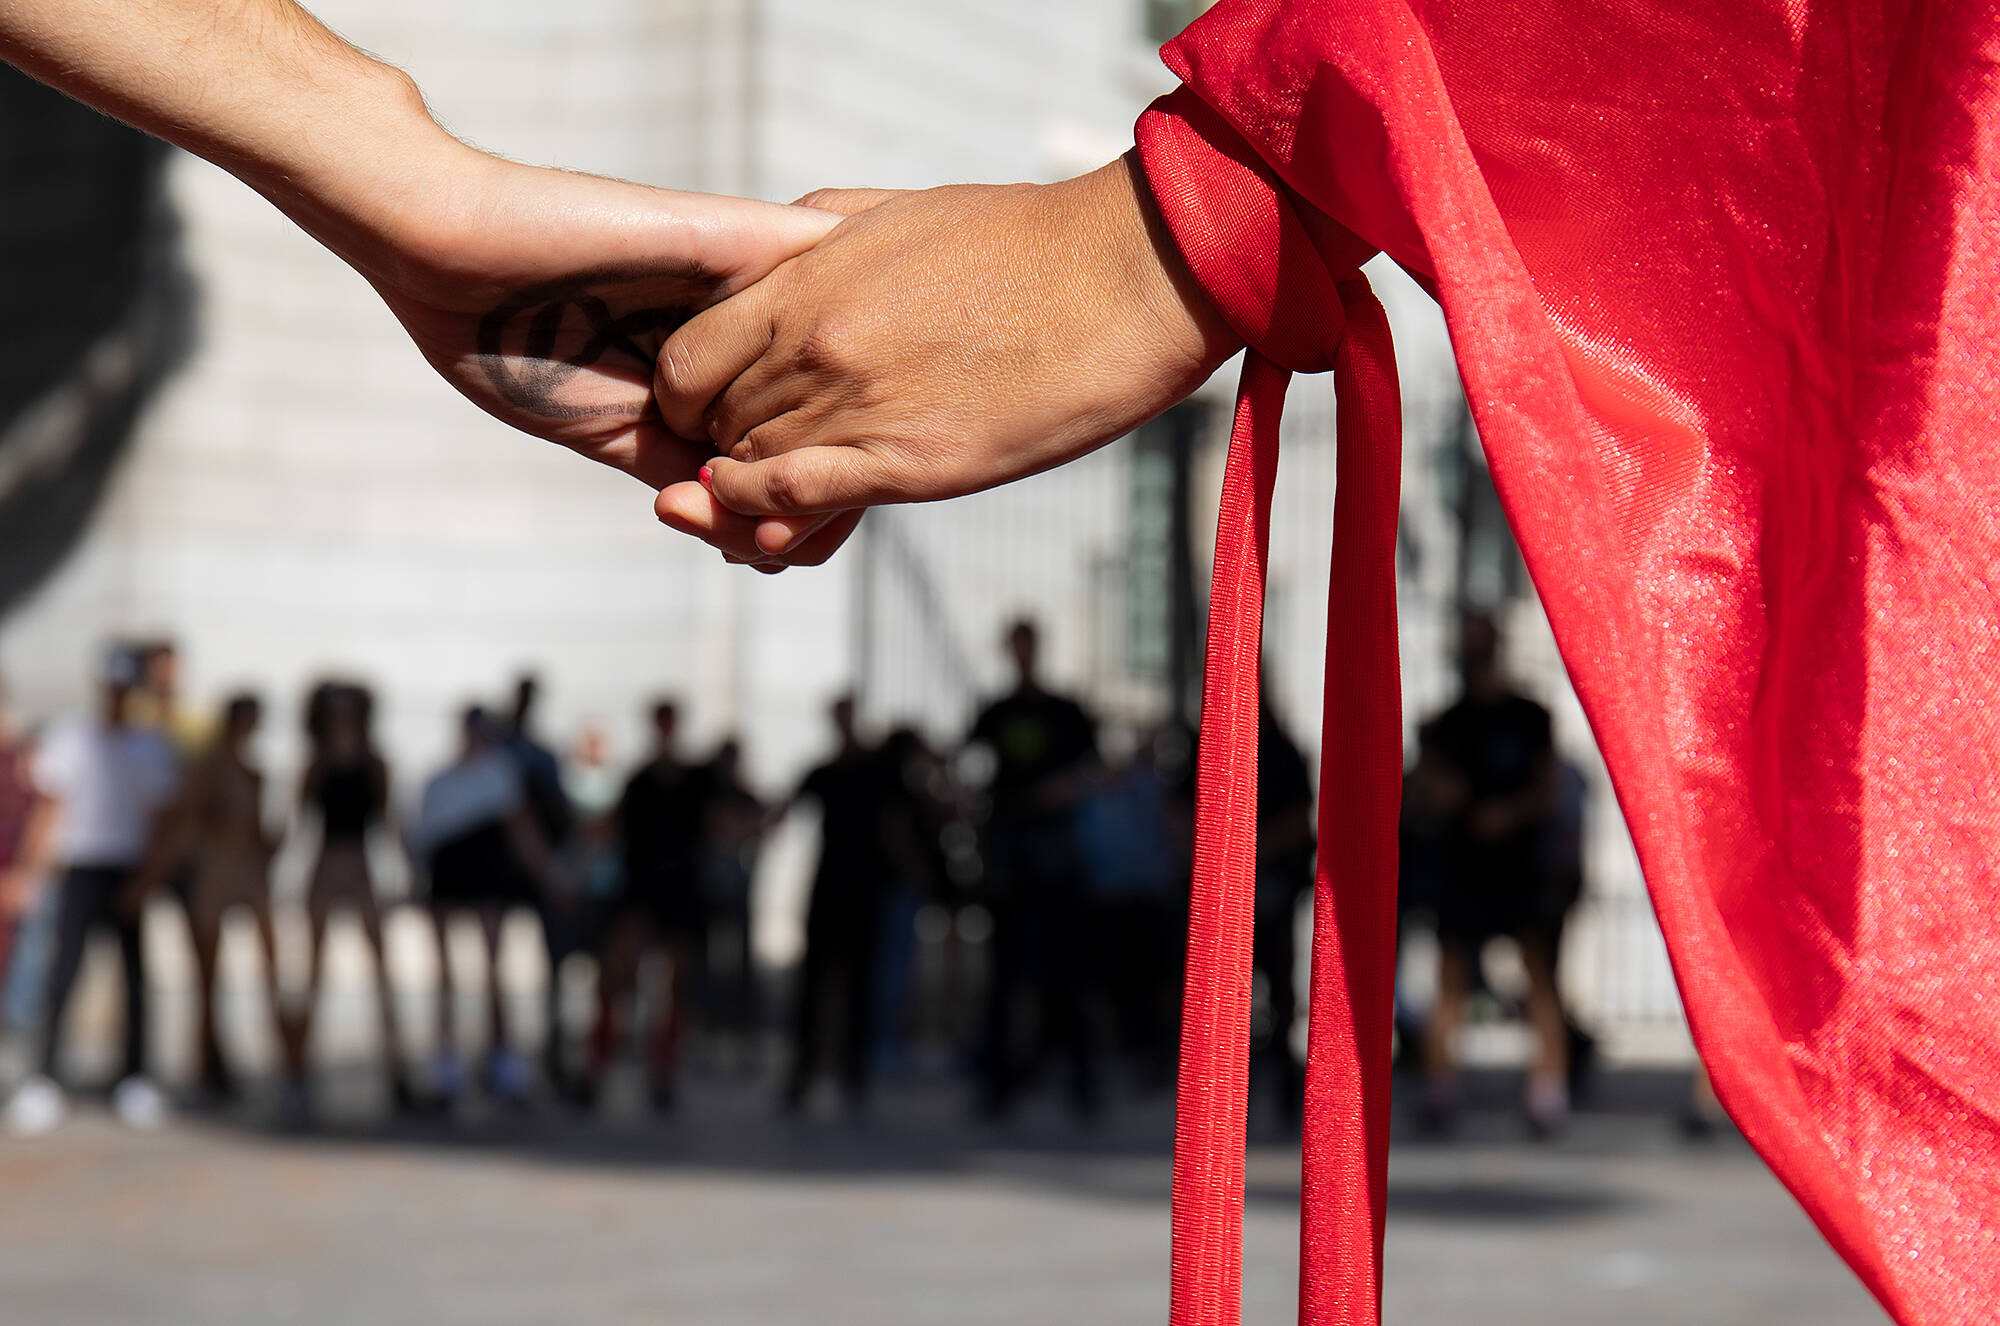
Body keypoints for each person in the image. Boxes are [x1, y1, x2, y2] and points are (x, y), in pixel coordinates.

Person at [4, 647, 179, 1135]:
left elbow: (163, 823)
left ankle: (134, 1077)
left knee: (135, 979)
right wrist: (36, 870)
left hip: (127, 868)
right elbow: (51, 810)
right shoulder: (72, 738)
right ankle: (45, 1079)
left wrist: (147, 881)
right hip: (80, 868)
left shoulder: (149, 746)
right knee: (62, 975)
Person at [1406, 612, 1564, 1133]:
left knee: (1538, 975)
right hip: (1463, 867)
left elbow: (1547, 790)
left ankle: (1547, 1091)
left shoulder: (1528, 717)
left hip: (1519, 866)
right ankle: (1440, 1090)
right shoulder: (1447, 724)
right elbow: (1425, 793)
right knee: (1450, 977)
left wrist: (1507, 815)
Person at [965, 620, 1102, 1120]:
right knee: (1004, 977)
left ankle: (1080, 1084)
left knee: (1065, 976)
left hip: (1056, 860)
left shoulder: (1065, 712)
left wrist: (1067, 788)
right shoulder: (996, 712)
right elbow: (969, 765)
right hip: (1009, 861)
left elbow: (1096, 770)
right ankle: (1000, 1085)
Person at [408, 706, 552, 1107]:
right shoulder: (439, 780)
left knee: (492, 972)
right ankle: (446, 1067)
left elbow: (523, 834)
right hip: (447, 881)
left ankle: (502, 1064)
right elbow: (419, 836)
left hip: (486, 881)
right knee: (444, 976)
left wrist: (551, 877)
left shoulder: (499, 775)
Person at [297, 682, 410, 1113]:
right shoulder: (316, 765)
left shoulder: (375, 765)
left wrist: (401, 873)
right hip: (325, 867)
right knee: (311, 975)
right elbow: (299, 823)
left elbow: (388, 823)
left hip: (361, 867)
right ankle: (299, 1072)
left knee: (382, 972)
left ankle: (397, 1071)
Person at [588, 700, 707, 1112]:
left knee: (674, 988)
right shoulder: (639, 780)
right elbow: (609, 828)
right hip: (640, 891)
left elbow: (722, 821)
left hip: (681, 892)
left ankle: (664, 1072)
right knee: (614, 980)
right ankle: (598, 1067)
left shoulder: (697, 778)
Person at [782, 698, 896, 1116]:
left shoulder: (876, 772)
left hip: (864, 891)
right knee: (814, 986)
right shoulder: (825, 772)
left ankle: (852, 1075)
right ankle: (805, 1072)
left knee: (859, 987)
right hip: (830, 890)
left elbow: (895, 826)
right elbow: (784, 811)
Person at [168, 693, 282, 1104]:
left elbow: (263, 830)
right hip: (216, 873)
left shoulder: (256, 773)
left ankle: (283, 1061)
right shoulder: (207, 769)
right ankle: (208, 1064)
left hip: (249, 873)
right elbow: (189, 823)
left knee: (271, 969)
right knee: (208, 978)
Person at [501, 674, 585, 1095]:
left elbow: (559, 812)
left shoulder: (535, 755)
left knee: (554, 963)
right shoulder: (503, 753)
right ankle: (505, 1053)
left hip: (535, 872)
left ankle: (549, 1048)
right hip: (504, 873)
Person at [696, 737, 766, 1072]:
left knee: (739, 965)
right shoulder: (709, 793)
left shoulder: (743, 795)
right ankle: (707, 1036)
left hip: (737, 888)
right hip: (710, 892)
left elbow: (764, 826)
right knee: (706, 965)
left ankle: (741, 1038)